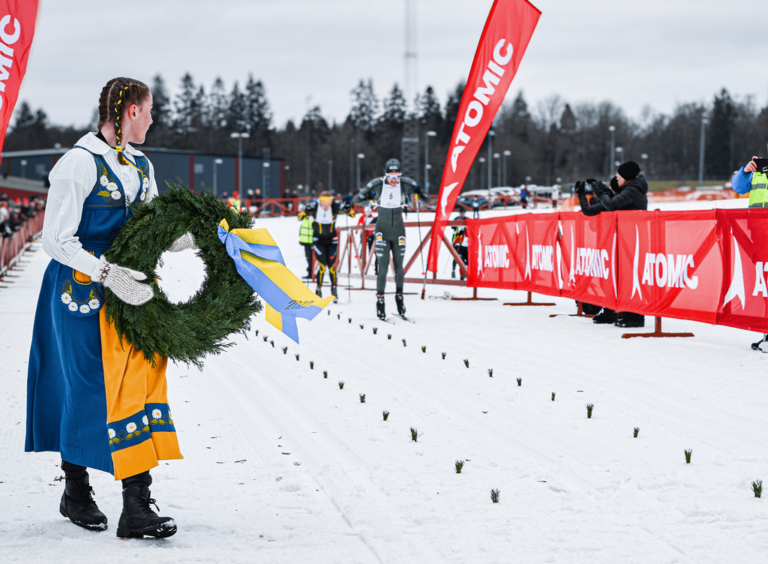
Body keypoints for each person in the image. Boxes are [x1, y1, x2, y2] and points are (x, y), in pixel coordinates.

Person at [25, 78, 196, 539]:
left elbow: (156, 226)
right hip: (81, 290)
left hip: (134, 293)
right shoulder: (76, 164)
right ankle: (76, 490)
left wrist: (200, 237)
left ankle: (136, 504)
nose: (154, 118)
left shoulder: (141, 164)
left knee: (136, 385)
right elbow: (55, 241)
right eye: (150, 109)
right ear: (131, 112)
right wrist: (106, 273)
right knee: (86, 388)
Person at [576, 160, 648, 328]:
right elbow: (591, 211)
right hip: (620, 241)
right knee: (616, 277)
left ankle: (633, 315)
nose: (617, 176)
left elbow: (611, 205)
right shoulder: (629, 190)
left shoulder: (633, 190)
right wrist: (583, 195)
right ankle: (615, 310)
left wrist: (600, 190)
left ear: (626, 176)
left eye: (619, 174)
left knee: (629, 278)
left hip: (631, 240)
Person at [353, 158, 421, 320]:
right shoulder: (378, 184)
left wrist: (416, 195)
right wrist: (368, 197)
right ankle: (380, 301)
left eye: (396, 176)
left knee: (399, 268)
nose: (393, 179)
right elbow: (357, 199)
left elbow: (422, 196)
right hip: (382, 231)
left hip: (399, 231)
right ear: (386, 175)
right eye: (391, 176)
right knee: (382, 268)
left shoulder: (404, 185)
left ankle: (399, 297)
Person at [298, 191, 354, 299]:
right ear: (320, 201)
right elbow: (300, 217)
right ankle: (318, 290)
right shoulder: (314, 206)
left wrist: (348, 207)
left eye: (328, 202)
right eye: (324, 202)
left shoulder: (335, 206)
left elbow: (352, 214)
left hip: (332, 240)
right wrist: (306, 211)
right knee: (322, 265)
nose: (326, 204)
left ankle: (334, 289)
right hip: (318, 240)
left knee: (332, 266)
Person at [357, 205, 378, 274]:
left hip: (371, 234)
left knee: (370, 246)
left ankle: (370, 255)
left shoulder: (373, 217)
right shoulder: (362, 217)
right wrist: (358, 229)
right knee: (363, 245)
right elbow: (359, 223)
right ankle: (361, 256)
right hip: (363, 234)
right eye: (366, 212)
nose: (368, 213)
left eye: (369, 212)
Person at [451, 207, 469, 279]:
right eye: (461, 213)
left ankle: (464, 273)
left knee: (465, 258)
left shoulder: (467, 219)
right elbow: (452, 227)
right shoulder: (456, 219)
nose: (462, 214)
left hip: (464, 242)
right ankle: (453, 270)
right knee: (456, 257)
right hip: (456, 241)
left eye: (463, 213)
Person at [298, 206, 314, 279]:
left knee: (311, 258)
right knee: (308, 257)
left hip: (311, 241)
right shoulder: (305, 217)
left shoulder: (314, 217)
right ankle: (310, 273)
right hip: (305, 241)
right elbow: (299, 218)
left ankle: (312, 273)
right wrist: (305, 212)